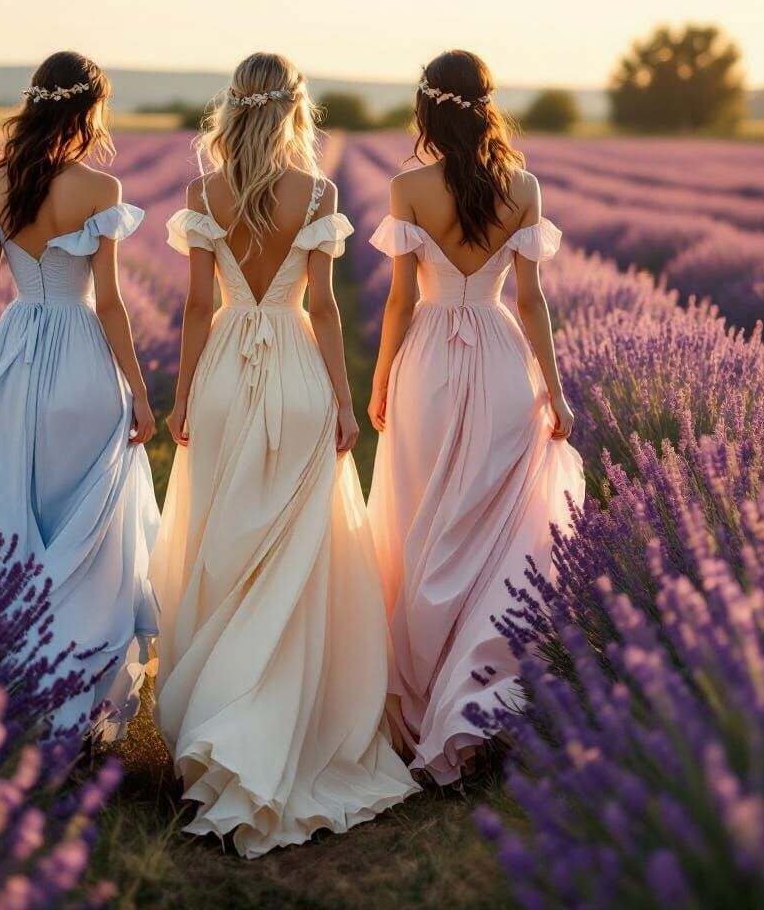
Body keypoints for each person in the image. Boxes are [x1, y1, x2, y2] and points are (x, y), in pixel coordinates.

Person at [150, 52, 418, 858]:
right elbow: (328, 311)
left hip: (227, 373)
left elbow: (199, 305)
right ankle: (289, 728)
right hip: (299, 372)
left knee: (224, 543)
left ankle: (220, 719)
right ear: (297, 109)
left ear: (231, 108)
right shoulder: (321, 193)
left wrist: (182, 393)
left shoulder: (205, 193)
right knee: (302, 551)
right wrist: (342, 399)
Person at [0, 51, 159, 739]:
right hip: (83, 364)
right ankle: (77, 703)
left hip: (17, 360)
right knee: (88, 534)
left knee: (18, 525)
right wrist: (139, 395)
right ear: (86, 110)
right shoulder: (100, 191)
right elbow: (110, 305)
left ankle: (20, 693)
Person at [367, 50, 585, 785]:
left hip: (428, 358)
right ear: (487, 105)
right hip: (497, 360)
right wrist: (554, 391)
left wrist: (377, 383)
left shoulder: (407, 188)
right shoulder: (521, 186)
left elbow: (400, 300)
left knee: (426, 519)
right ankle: (480, 708)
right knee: (491, 527)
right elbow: (530, 303)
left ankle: (423, 707)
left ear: (428, 107)